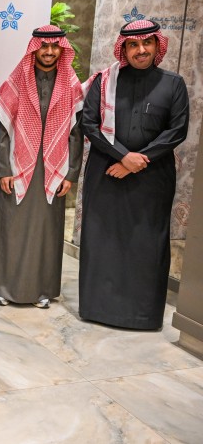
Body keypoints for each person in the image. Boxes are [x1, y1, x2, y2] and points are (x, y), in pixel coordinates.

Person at [79, 20, 189, 330]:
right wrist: (123, 156)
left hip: (152, 178)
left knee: (146, 243)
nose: (141, 50)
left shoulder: (174, 84)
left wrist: (136, 161)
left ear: (157, 45)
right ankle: (98, 309)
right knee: (103, 238)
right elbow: (89, 124)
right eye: (133, 44)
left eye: (147, 43)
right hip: (106, 172)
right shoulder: (105, 82)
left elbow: (177, 130)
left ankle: (142, 315)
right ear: (123, 49)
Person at [0, 25, 84, 308]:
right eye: (44, 46)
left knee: (46, 229)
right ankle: (1, 287)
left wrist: (70, 173)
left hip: (53, 168)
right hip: (17, 165)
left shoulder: (71, 84)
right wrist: (4, 170)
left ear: (61, 49)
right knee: (10, 225)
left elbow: (76, 133)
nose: (49, 52)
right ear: (34, 49)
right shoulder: (17, 80)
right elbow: (3, 129)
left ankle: (42, 289)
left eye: (54, 47)